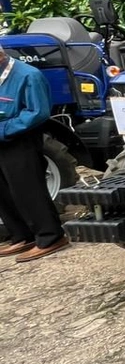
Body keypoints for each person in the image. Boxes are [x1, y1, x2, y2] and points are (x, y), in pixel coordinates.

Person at [0, 51, 69, 262]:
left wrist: (3, 129)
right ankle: (22, 235)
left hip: (19, 138)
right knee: (3, 189)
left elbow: (37, 112)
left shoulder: (28, 76)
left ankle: (51, 236)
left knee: (27, 188)